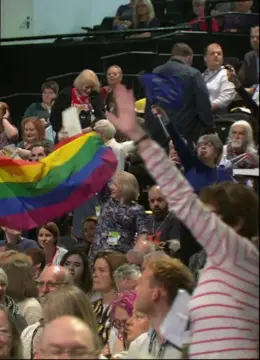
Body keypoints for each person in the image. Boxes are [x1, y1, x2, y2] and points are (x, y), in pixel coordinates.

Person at [108, 84, 259, 358]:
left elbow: (180, 196)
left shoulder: (243, 255)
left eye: (211, 216)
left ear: (236, 223)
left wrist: (139, 136)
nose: (202, 223)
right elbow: (187, 339)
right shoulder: (216, 265)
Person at [143, 43, 212, 146]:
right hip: (184, 135)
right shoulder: (193, 74)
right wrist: (210, 128)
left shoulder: (155, 72)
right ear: (189, 57)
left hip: (159, 133)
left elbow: (150, 104)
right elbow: (203, 104)